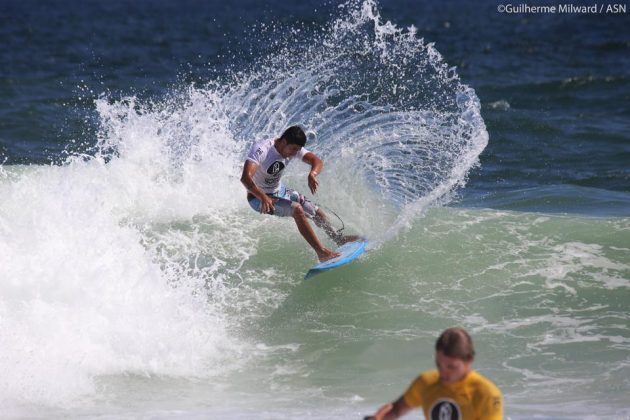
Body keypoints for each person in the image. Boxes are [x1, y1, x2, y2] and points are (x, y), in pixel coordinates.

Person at [240, 125, 358, 262]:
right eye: (293, 149)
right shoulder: (262, 150)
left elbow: (316, 161)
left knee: (314, 210)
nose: (294, 153)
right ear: (283, 142)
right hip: (257, 198)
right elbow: (245, 178)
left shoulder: (293, 148)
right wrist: (262, 196)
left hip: (279, 190)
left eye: (297, 150)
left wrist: (312, 174)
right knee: (297, 209)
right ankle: (322, 253)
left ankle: (339, 239)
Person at [365, 327, 503, 420]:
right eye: (439, 365)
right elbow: (395, 411)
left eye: (451, 367)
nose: (443, 373)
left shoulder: (487, 394)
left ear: (469, 360)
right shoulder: (426, 382)